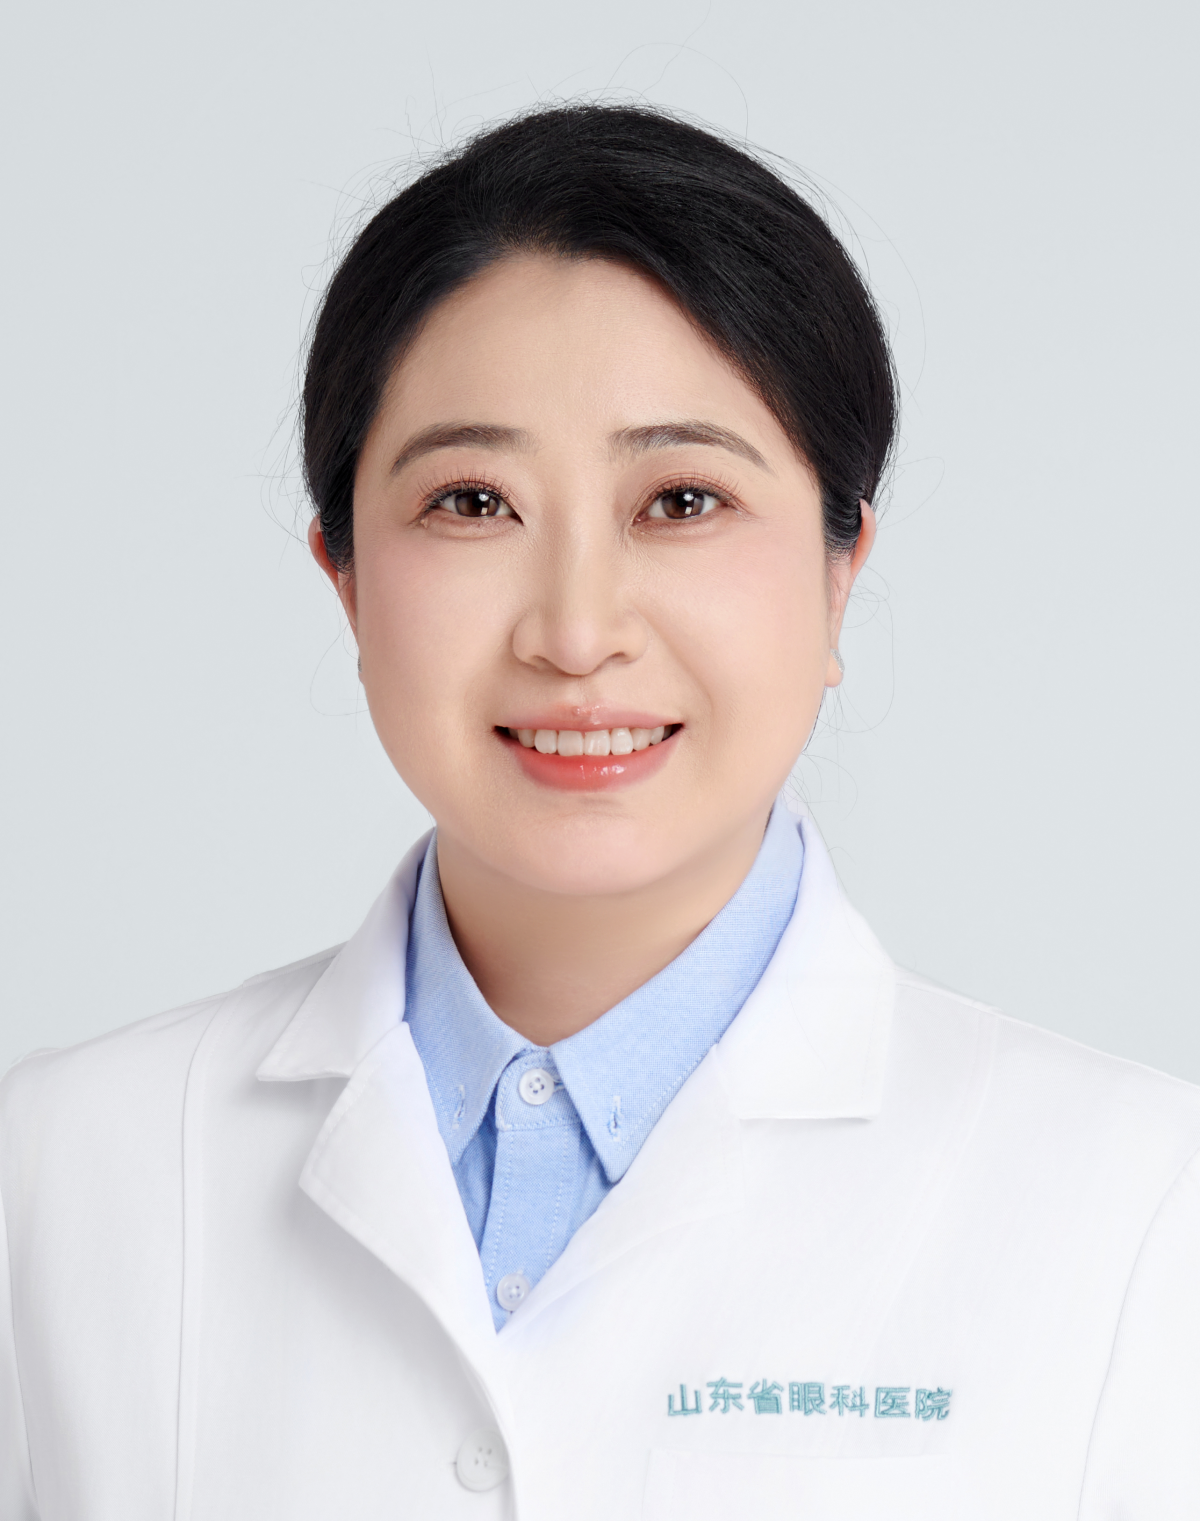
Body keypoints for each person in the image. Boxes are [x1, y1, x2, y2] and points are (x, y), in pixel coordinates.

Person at [1, 103, 1197, 1521]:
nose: (576, 633)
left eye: (681, 500)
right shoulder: (58, 1173)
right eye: (472, 503)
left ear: (840, 569)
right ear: (345, 576)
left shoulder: (1142, 1209)